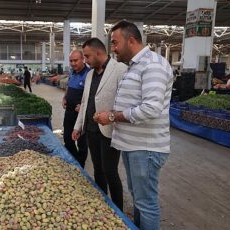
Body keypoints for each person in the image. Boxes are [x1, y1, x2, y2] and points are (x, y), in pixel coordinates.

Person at [96, 20, 173, 230]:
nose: (113, 49)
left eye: (115, 43)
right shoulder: (133, 67)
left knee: (146, 203)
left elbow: (151, 108)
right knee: (139, 199)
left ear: (131, 40)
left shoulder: (153, 65)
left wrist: (112, 117)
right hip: (133, 146)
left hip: (146, 148)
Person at [72, 38, 127, 210]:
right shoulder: (89, 75)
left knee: (110, 171)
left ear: (98, 52)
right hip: (91, 130)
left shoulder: (120, 70)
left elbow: (126, 101)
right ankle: (103, 204)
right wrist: (77, 126)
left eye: (87, 56)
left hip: (109, 129)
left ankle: (118, 210)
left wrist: (111, 116)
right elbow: (85, 101)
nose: (85, 60)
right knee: (98, 169)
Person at [62, 50, 90, 168]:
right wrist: (64, 97)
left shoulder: (89, 74)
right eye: (71, 61)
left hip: (81, 114)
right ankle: (76, 160)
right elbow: (69, 86)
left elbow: (92, 94)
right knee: (67, 138)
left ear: (83, 59)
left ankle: (80, 165)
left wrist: (84, 107)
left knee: (82, 142)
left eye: (75, 60)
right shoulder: (72, 72)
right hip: (69, 111)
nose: (73, 63)